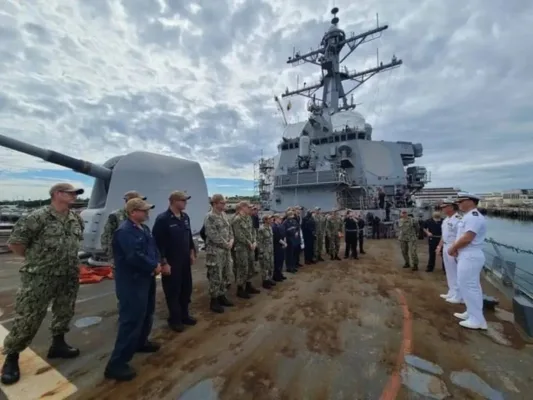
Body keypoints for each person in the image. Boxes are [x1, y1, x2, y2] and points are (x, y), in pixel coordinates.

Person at [1, 183, 85, 385]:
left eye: (75, 193)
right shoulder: (37, 217)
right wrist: (36, 261)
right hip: (40, 276)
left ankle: (58, 344)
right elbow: (15, 243)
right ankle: (12, 357)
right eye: (71, 193)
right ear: (57, 194)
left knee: (64, 311)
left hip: (68, 275)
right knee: (29, 317)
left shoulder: (75, 219)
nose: (74, 196)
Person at [104, 198, 161, 381]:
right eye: (144, 210)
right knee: (131, 320)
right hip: (132, 282)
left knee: (146, 313)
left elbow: (152, 248)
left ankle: (140, 342)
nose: (147, 213)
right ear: (133, 212)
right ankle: (116, 364)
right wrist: (153, 265)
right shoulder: (125, 231)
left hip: (146, 278)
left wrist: (157, 262)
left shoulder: (143, 228)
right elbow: (134, 256)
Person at [152, 191, 197, 332]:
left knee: (186, 289)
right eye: (182, 200)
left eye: (185, 200)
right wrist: (163, 262)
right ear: (173, 201)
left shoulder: (185, 217)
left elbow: (189, 236)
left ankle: (184, 315)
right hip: (171, 262)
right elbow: (157, 244)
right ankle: (174, 319)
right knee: (173, 291)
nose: (185, 202)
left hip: (184, 261)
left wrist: (192, 252)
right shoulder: (163, 219)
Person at [447, 193, 488, 330]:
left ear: (470, 201)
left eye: (461, 201)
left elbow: (467, 238)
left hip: (470, 255)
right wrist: (457, 249)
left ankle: (477, 320)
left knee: (469, 286)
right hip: (466, 254)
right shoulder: (468, 216)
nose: (458, 204)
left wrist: (453, 248)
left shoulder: (473, 217)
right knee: (468, 285)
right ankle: (472, 313)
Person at [203, 194, 234, 313]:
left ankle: (222, 295)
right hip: (215, 252)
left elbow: (230, 229)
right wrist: (226, 244)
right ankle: (214, 300)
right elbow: (212, 235)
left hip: (226, 251)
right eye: (222, 203)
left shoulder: (224, 215)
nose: (224, 205)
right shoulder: (210, 217)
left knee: (225, 274)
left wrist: (231, 240)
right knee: (215, 276)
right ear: (215, 203)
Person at [100, 191, 147, 261]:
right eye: (137, 201)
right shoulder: (115, 216)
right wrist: (111, 254)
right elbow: (107, 235)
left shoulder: (138, 215)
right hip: (120, 255)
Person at [231, 201, 260, 298]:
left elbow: (253, 231)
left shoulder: (248, 218)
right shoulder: (237, 220)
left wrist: (254, 241)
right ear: (242, 207)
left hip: (250, 247)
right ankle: (240, 289)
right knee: (242, 268)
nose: (250, 209)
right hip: (241, 248)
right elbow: (238, 235)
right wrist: (249, 243)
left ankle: (248, 285)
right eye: (248, 207)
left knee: (250, 266)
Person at [436, 199, 462, 303]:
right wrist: (439, 246)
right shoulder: (446, 220)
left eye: (444, 207)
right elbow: (444, 235)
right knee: (449, 271)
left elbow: (460, 236)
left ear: (451, 207)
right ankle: (452, 292)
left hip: (454, 246)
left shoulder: (458, 219)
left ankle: (459, 295)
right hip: (446, 246)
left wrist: (455, 248)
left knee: (456, 271)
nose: (442, 209)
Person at [257, 215, 276, 289]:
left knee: (270, 265)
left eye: (271, 219)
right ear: (265, 220)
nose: (271, 220)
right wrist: (261, 252)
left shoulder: (270, 227)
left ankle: (269, 279)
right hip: (265, 251)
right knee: (265, 267)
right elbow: (259, 241)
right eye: (269, 219)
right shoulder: (261, 229)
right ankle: (265, 281)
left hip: (270, 250)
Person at [271, 215, 287, 282]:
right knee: (277, 261)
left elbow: (284, 234)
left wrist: (284, 242)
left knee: (281, 260)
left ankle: (280, 274)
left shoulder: (281, 225)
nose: (281, 220)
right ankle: (276, 276)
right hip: (277, 245)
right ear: (276, 218)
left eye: (281, 219)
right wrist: (284, 243)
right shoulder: (274, 226)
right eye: (279, 218)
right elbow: (276, 237)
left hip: (282, 245)